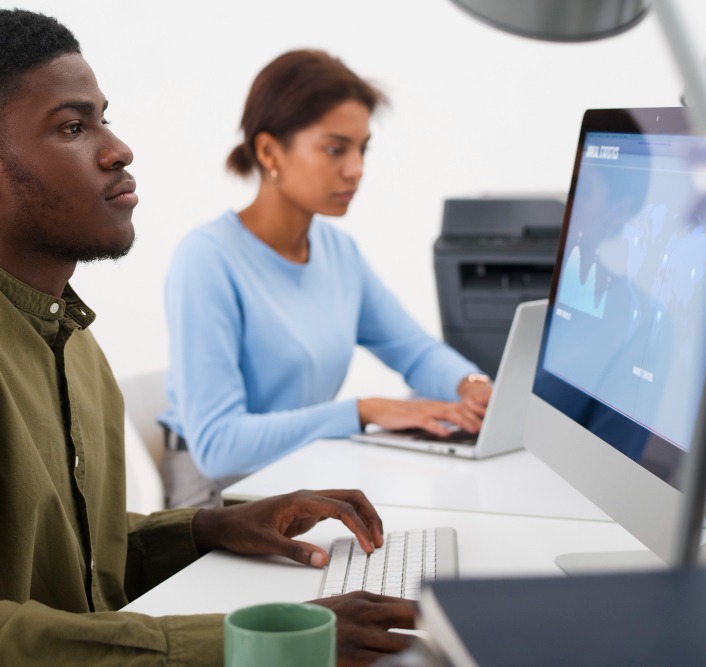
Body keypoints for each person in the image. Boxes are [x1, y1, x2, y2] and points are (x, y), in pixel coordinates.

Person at [0, 10, 416, 666]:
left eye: (103, 117)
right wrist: (251, 642)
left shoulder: (67, 332)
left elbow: (81, 566)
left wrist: (211, 527)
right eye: (73, 126)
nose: (117, 149)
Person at [159, 50, 493, 508]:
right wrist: (363, 411)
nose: (356, 169)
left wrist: (473, 387)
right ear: (269, 151)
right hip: (217, 496)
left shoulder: (338, 252)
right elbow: (219, 447)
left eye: (362, 149)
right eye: (335, 149)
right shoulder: (207, 259)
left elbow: (412, 350)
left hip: (297, 472)